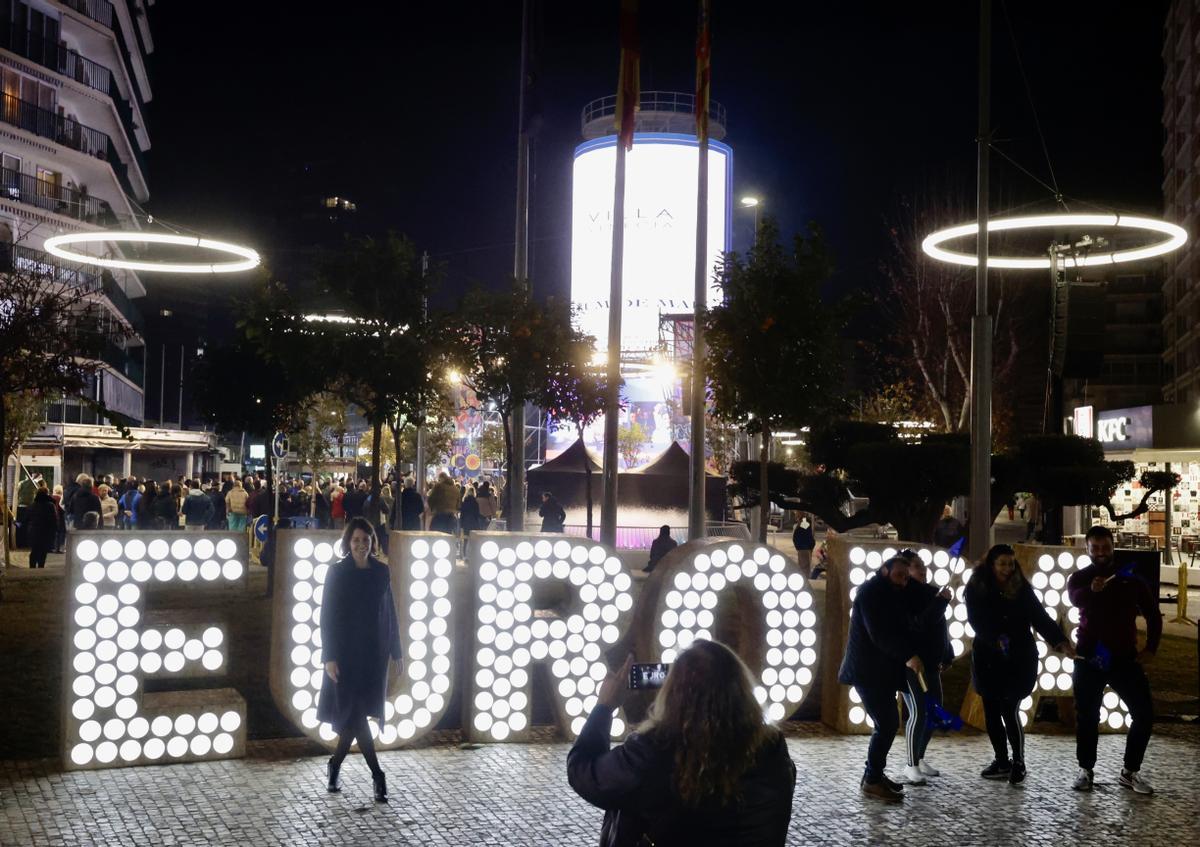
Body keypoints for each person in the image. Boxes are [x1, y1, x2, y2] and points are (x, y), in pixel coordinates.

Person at [567, 641, 795, 846]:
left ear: (673, 694)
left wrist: (604, 707)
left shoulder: (653, 751)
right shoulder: (772, 751)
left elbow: (584, 772)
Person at [965, 544, 1073, 786]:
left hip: (1018, 658)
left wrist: (1060, 641)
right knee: (991, 710)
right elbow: (976, 620)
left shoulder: (1021, 589)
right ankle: (1001, 760)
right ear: (991, 564)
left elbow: (1040, 617)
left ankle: (1019, 761)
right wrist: (994, 639)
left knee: (1009, 709)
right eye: (1002, 563)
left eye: (1010, 564)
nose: (1007, 568)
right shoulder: (976, 588)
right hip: (989, 658)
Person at [1067, 525, 1161, 794]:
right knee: (1087, 716)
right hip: (1088, 658)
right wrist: (1091, 592)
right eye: (1094, 548)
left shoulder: (1130, 580)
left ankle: (1130, 771)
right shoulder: (1080, 578)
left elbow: (1153, 615)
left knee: (1143, 714)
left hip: (1124, 659)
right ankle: (1086, 770)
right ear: (1087, 549)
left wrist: (1151, 647)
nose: (1100, 553)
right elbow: (1074, 599)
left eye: (1105, 547)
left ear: (1113, 547)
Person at [319, 517, 403, 803]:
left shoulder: (381, 572)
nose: (361, 545)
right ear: (348, 543)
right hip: (344, 656)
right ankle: (378, 775)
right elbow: (327, 615)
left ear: (372, 543)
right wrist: (329, 656)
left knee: (355, 717)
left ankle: (334, 765)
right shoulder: (337, 573)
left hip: (372, 655)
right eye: (355, 540)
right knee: (354, 714)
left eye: (365, 540)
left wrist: (397, 649)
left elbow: (389, 611)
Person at [838, 555, 921, 800]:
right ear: (884, 571)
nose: (904, 582)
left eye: (906, 577)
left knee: (884, 724)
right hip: (868, 672)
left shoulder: (890, 592)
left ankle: (873, 775)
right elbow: (880, 633)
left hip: (880, 672)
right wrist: (907, 655)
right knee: (887, 724)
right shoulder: (872, 594)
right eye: (899, 575)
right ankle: (872, 779)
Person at [898, 549, 954, 785]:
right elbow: (921, 625)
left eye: (922, 565)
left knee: (934, 712)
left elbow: (940, 628)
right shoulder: (904, 595)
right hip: (912, 664)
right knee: (919, 711)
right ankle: (910, 765)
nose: (922, 569)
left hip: (932, 662)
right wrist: (940, 602)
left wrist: (947, 654)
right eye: (915, 566)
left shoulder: (933, 593)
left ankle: (919, 758)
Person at [26, 490, 57, 568]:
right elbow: (54, 520)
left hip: (34, 531)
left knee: (34, 551)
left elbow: (26, 518)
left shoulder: (32, 505)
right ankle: (41, 567)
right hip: (46, 532)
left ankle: (32, 567)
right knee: (43, 552)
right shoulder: (50, 505)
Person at [791, 513, 816, 577]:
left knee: (804, 568)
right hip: (804, 547)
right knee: (804, 567)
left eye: (797, 514)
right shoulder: (803, 523)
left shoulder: (804, 523)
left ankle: (805, 582)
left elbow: (805, 536)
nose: (795, 515)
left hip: (804, 548)